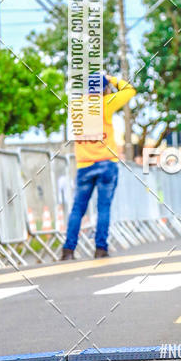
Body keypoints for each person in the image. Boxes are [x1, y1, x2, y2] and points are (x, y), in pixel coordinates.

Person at [61, 73, 136, 260]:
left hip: (84, 165)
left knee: (78, 209)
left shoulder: (76, 106)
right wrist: (110, 79)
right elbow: (130, 90)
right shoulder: (106, 103)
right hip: (106, 163)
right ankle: (100, 248)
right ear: (104, 90)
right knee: (103, 208)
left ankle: (68, 250)